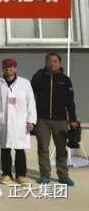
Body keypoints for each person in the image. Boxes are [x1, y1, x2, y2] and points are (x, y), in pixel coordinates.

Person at [31, 53, 79, 186]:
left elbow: (70, 101)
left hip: (60, 120)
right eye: (49, 61)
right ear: (45, 63)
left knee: (61, 148)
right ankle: (44, 175)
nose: (52, 64)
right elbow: (30, 97)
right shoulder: (38, 78)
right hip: (42, 119)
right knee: (43, 148)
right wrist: (30, 117)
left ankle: (63, 175)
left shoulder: (65, 80)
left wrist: (73, 119)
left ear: (59, 63)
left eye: (55, 61)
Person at [0, 58, 37, 185]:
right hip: (3, 121)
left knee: (20, 149)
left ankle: (21, 175)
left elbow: (31, 102)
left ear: (15, 68)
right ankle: (6, 174)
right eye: (5, 67)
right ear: (2, 68)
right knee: (5, 149)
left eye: (10, 67)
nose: (8, 69)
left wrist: (31, 120)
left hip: (20, 121)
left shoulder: (25, 83)